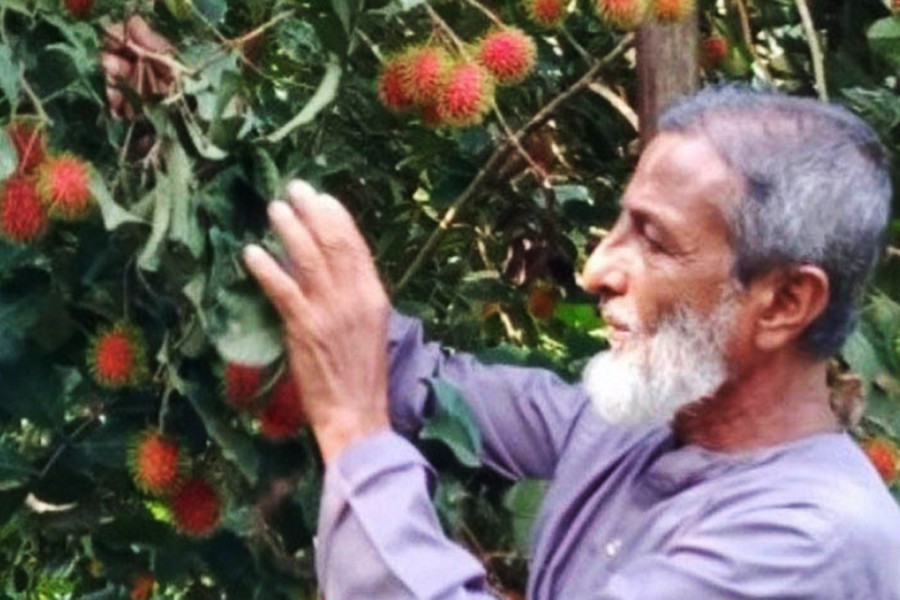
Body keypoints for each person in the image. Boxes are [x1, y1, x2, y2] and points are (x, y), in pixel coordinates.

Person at [242, 86, 900, 599]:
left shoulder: (814, 542)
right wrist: (216, 167)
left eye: (654, 239)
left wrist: (354, 430)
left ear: (785, 303)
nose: (593, 270)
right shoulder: (639, 425)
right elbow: (423, 380)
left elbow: (366, 392)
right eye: (621, 220)